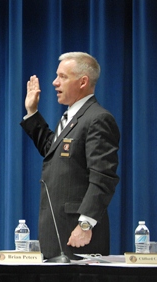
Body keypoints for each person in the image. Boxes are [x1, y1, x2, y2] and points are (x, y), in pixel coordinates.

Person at [21, 52, 119, 260]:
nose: (55, 82)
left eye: (63, 77)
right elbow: (52, 150)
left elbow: (103, 177)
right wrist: (32, 112)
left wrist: (85, 223)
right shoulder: (71, 117)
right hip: (57, 232)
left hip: (79, 234)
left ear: (83, 81)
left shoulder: (98, 119)